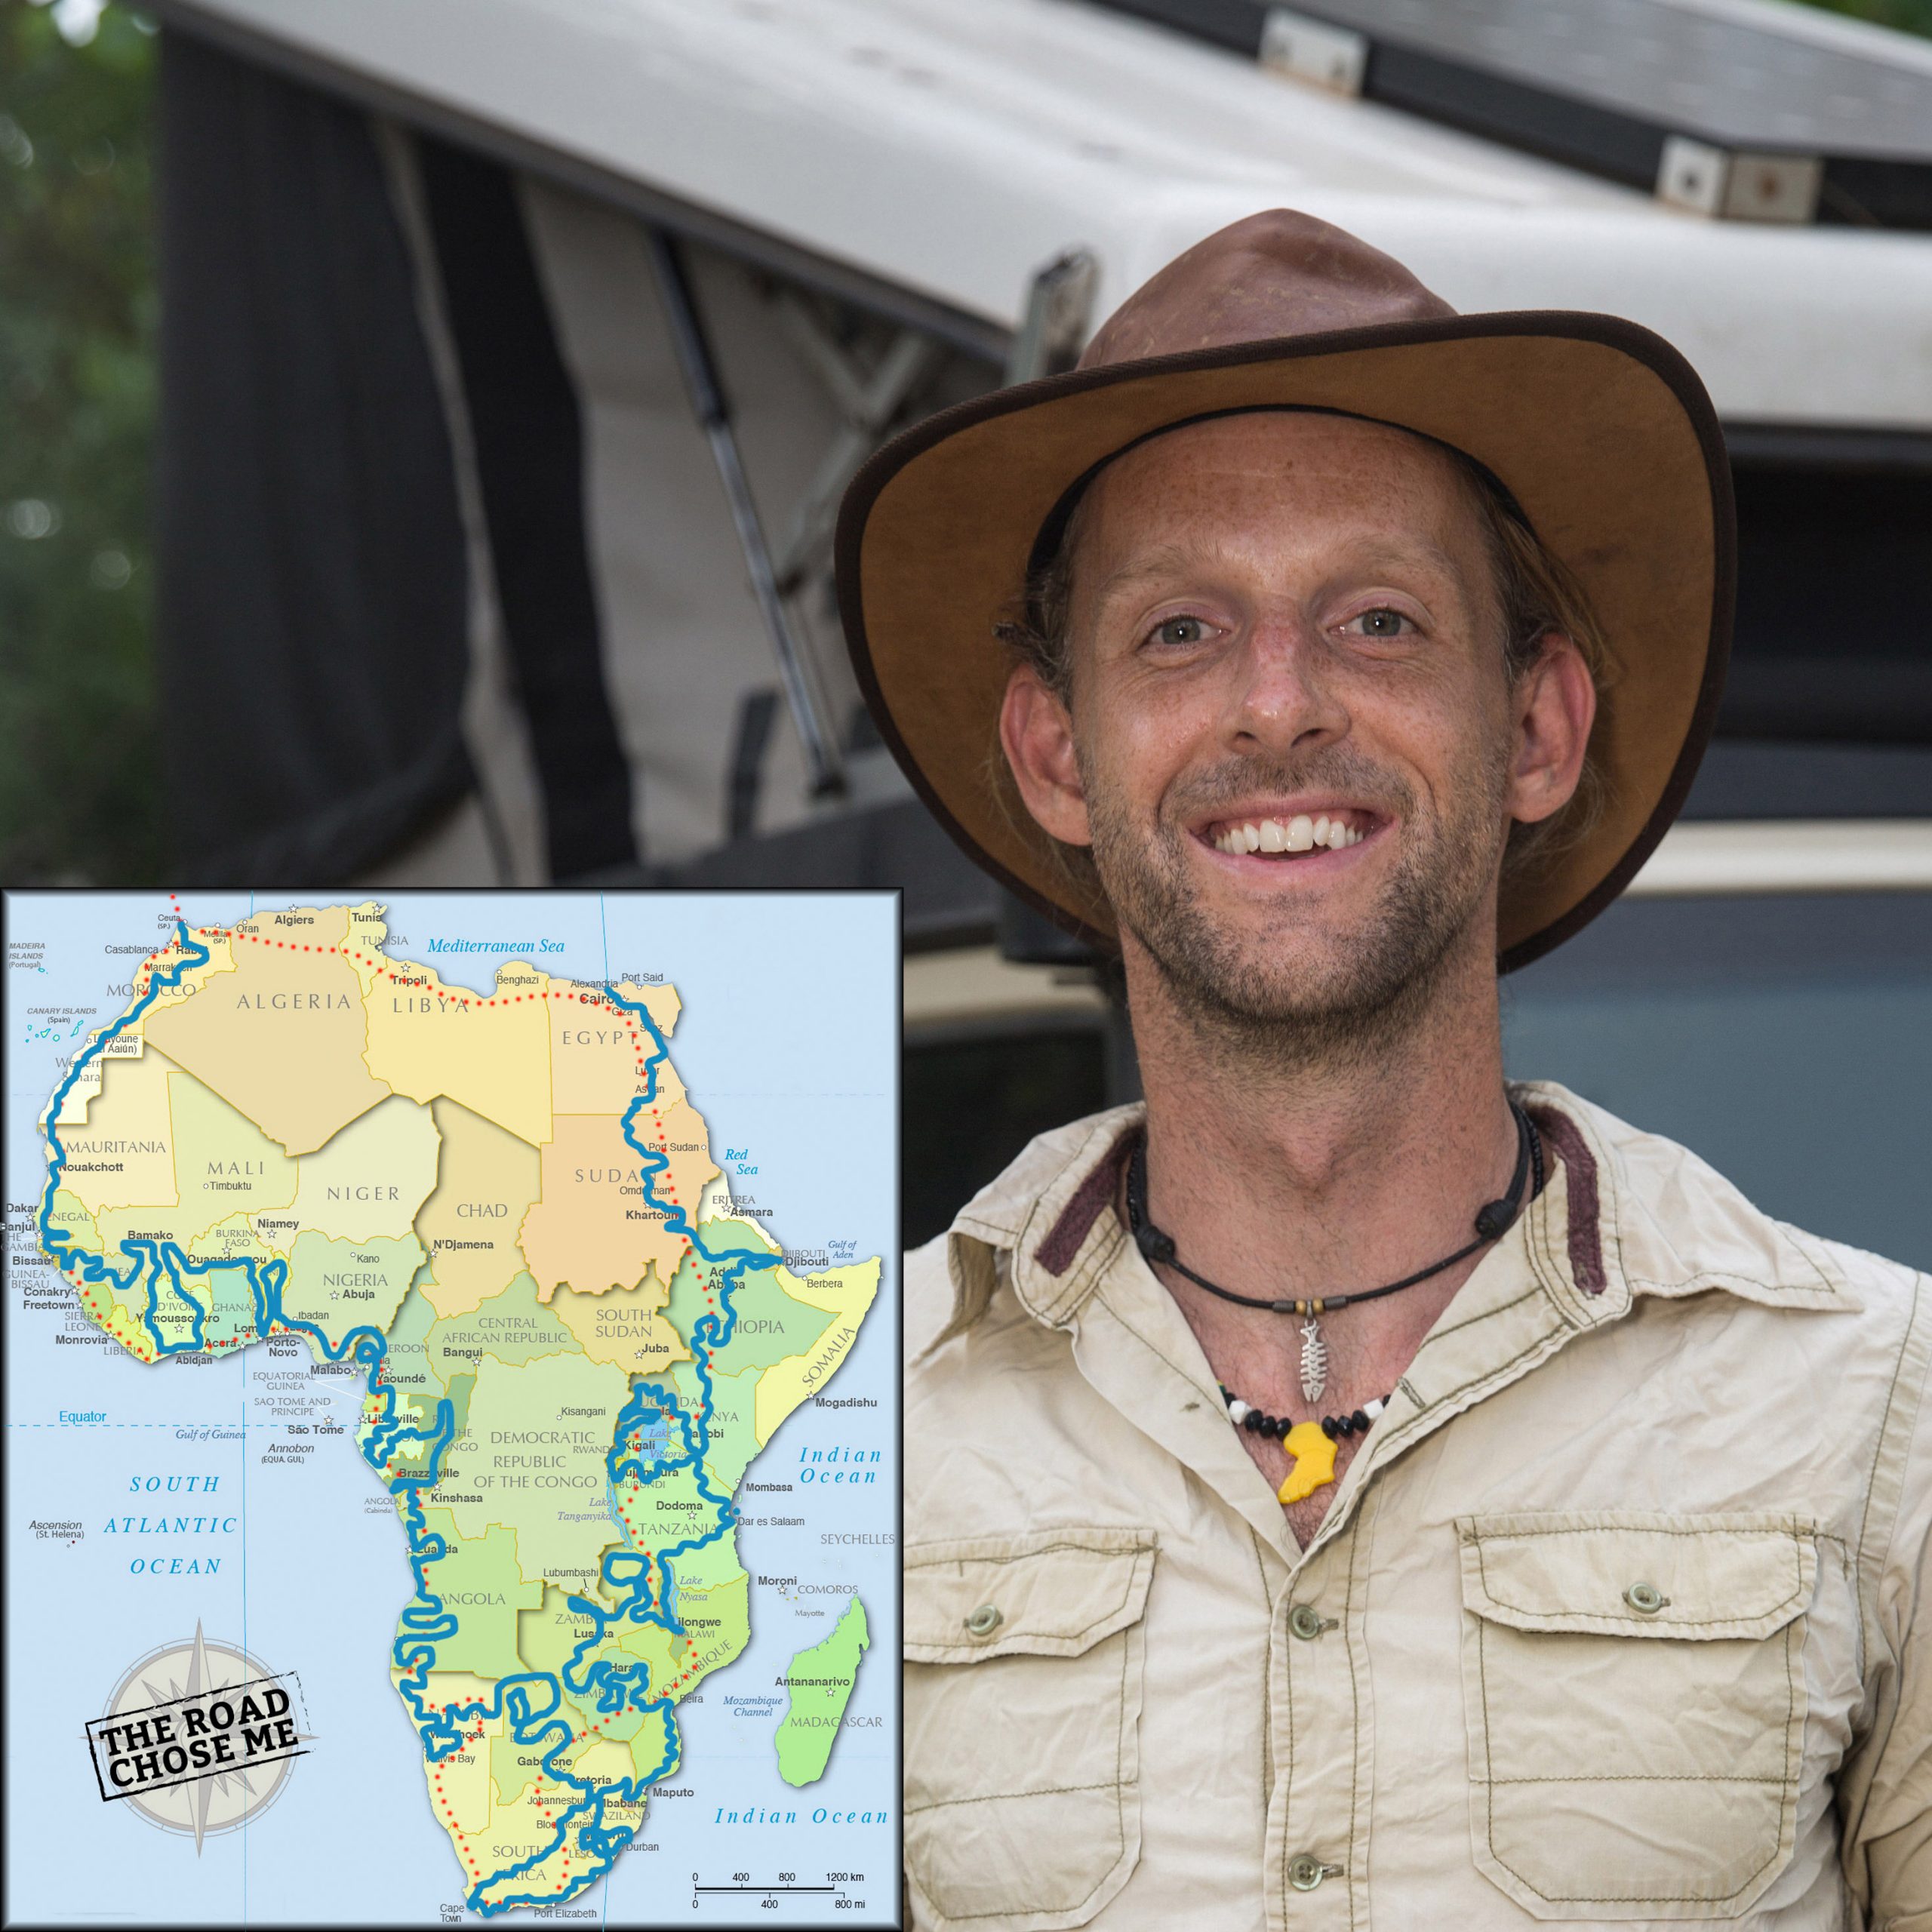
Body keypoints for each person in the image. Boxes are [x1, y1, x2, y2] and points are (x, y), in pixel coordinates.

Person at [836, 211, 1930, 1929]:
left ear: (1534, 728)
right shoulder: (807, 1432)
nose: (1277, 705)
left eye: (1376, 619)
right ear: (1055, 752)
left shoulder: (1876, 1408)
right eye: (1178, 631)